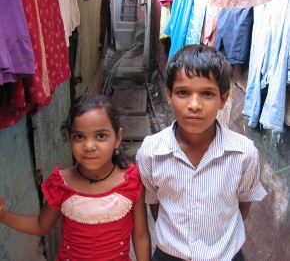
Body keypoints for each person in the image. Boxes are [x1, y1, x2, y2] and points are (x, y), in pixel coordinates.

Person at [136, 44, 267, 261]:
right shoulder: (151, 152)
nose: (194, 105)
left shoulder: (243, 154)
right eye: (183, 93)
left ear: (223, 99)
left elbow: (243, 204)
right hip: (169, 255)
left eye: (207, 93)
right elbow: (156, 205)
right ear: (169, 95)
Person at [0, 94, 151, 261]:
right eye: (79, 136)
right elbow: (41, 225)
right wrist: (3, 215)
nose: (88, 146)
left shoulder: (131, 182)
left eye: (101, 136)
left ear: (118, 138)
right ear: (69, 137)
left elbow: (141, 235)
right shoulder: (61, 183)